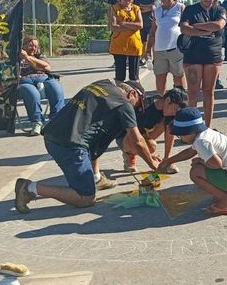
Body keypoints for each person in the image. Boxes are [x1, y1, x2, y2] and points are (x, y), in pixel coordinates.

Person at [14, 80, 161, 213]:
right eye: (137, 104)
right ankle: (29, 188)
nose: (134, 109)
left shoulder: (102, 85)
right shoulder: (124, 103)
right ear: (132, 93)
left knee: (95, 136)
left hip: (53, 134)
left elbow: (96, 138)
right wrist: (152, 164)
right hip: (69, 145)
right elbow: (137, 141)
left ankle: (96, 178)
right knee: (86, 198)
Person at [159, 107, 227, 215]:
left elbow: (217, 164)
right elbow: (190, 152)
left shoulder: (201, 142)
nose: (180, 138)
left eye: (180, 135)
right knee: (201, 167)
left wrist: (200, 162)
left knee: (196, 172)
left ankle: (226, 200)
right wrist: (169, 160)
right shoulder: (206, 133)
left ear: (188, 132)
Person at [180, 0, 227, 126]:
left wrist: (196, 28)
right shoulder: (190, 10)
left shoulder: (220, 10)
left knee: (209, 92)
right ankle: (191, 126)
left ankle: (208, 126)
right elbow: (184, 29)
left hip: (212, 56)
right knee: (193, 93)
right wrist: (207, 29)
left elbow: (219, 25)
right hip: (193, 56)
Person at [124, 86, 188, 174]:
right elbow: (132, 134)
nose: (173, 113)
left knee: (168, 124)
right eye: (174, 109)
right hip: (126, 136)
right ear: (168, 100)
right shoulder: (145, 108)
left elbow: (170, 134)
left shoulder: (168, 113)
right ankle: (129, 154)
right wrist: (151, 160)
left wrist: (167, 159)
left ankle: (162, 158)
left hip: (143, 135)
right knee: (151, 146)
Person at [18, 35, 66, 136]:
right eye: (31, 45)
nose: (33, 48)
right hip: (25, 81)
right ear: (24, 46)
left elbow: (47, 67)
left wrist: (27, 57)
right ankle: (37, 122)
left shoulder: (39, 55)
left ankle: (56, 120)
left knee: (56, 87)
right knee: (32, 93)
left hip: (43, 78)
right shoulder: (16, 57)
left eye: (35, 46)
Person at [147, 0, 186, 95]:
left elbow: (187, 27)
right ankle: (161, 102)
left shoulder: (180, 7)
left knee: (178, 77)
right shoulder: (157, 10)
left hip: (176, 48)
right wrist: (148, 49)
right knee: (160, 78)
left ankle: (180, 102)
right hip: (159, 50)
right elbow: (153, 30)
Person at [109, 0, 144, 82]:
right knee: (120, 76)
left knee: (134, 77)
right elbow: (114, 27)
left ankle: (135, 96)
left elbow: (140, 25)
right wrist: (132, 27)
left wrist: (123, 24)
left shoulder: (136, 8)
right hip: (119, 45)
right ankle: (121, 95)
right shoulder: (115, 8)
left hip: (134, 45)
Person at [135, 0, 160, 67]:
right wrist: (147, 8)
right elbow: (136, 9)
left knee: (153, 41)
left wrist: (143, 7)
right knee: (142, 42)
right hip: (141, 23)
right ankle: (143, 59)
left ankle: (155, 59)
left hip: (152, 23)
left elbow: (154, 7)